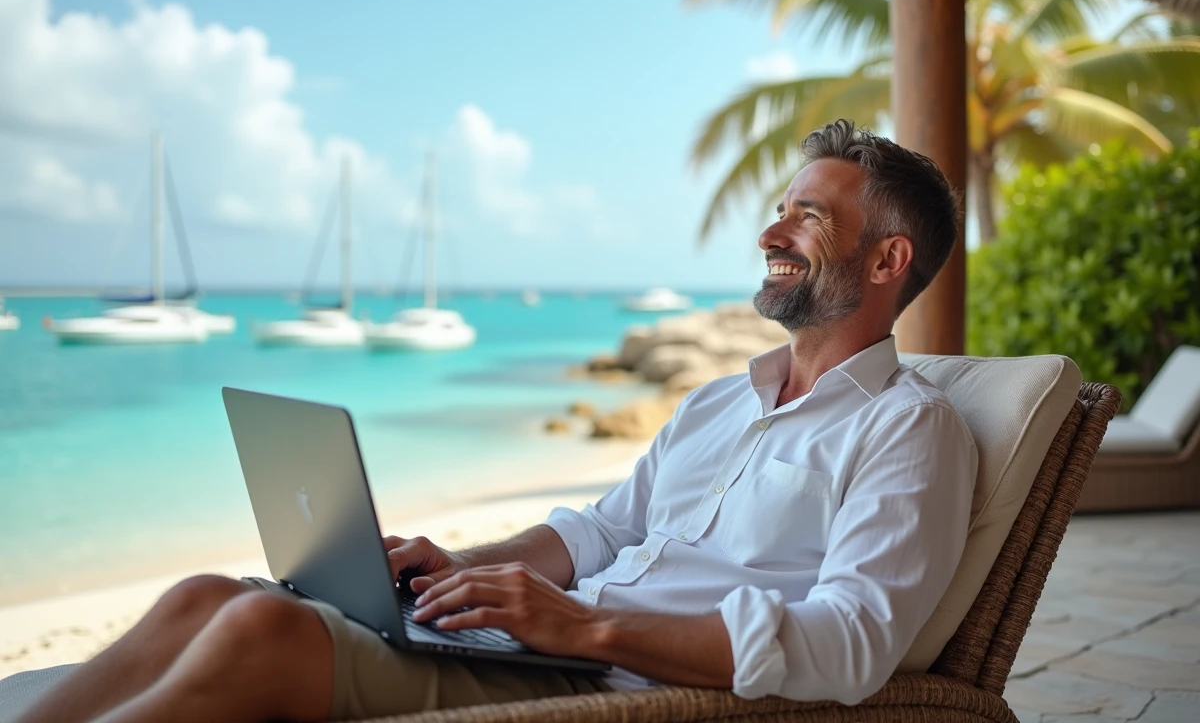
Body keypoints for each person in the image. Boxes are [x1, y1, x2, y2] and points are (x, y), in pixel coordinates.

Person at [15, 119, 976, 723]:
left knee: (262, 630)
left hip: (614, 680)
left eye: (807, 219)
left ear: (887, 262)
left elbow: (850, 642)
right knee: (201, 593)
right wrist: (464, 566)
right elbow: (604, 530)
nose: (770, 233)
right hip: (548, 643)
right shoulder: (722, 401)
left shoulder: (907, 431)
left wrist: (588, 629)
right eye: (780, 210)